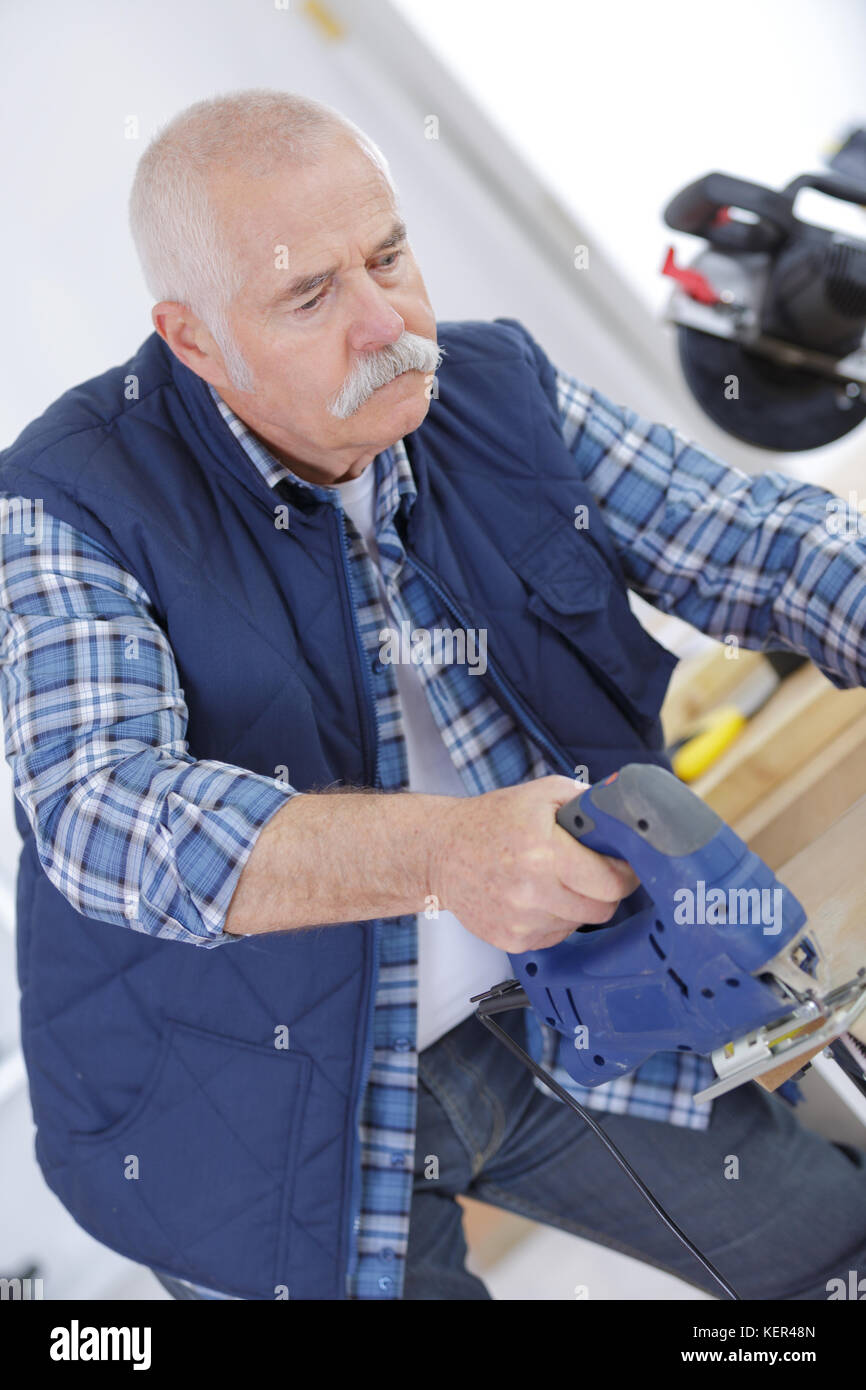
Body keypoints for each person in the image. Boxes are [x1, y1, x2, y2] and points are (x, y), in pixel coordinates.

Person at [2, 88, 865, 1303]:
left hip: (572, 1005)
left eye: (390, 257)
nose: (387, 323)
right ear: (192, 340)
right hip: (251, 1112)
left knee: (835, 1264)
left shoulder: (493, 388)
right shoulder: (64, 501)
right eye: (310, 297)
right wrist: (445, 851)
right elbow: (101, 811)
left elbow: (761, 543)